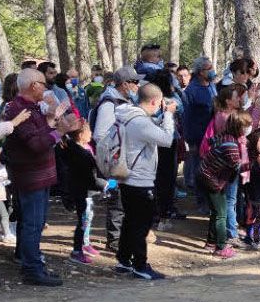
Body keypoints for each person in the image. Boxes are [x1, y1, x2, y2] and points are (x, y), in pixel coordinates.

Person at [2, 68, 80, 286]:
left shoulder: (31, 108)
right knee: (32, 224)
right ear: (34, 86)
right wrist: (59, 132)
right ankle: (32, 269)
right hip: (31, 177)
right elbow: (36, 144)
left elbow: (41, 134)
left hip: (40, 175)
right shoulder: (18, 110)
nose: (46, 88)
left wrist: (54, 122)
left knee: (36, 222)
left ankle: (35, 265)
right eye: (44, 84)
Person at [112, 83, 176, 281]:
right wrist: (168, 115)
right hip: (140, 180)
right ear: (155, 101)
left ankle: (123, 260)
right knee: (140, 225)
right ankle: (140, 265)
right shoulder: (140, 122)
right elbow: (166, 139)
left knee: (130, 221)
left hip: (128, 177)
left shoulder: (128, 115)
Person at [91, 66, 142, 252]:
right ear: (125, 84)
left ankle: (123, 238)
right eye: (135, 82)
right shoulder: (109, 104)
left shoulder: (125, 101)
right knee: (117, 200)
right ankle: (114, 241)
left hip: (127, 158)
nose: (138, 86)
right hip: (115, 160)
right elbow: (100, 135)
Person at [200, 111, 250, 259]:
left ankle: (211, 242)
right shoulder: (231, 145)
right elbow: (239, 167)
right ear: (239, 127)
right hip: (210, 179)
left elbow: (211, 142)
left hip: (210, 176)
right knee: (221, 214)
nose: (249, 128)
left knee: (216, 211)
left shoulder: (227, 136)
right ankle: (221, 247)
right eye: (247, 126)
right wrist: (254, 155)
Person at [59, 122, 111, 264]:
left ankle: (83, 245)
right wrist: (106, 184)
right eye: (89, 132)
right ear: (81, 135)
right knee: (83, 221)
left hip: (81, 191)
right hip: (81, 192)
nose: (92, 134)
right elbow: (90, 179)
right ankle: (77, 250)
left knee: (85, 219)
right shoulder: (81, 154)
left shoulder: (74, 149)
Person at [145, 70, 187, 229]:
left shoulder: (147, 99)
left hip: (155, 140)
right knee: (166, 178)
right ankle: (162, 211)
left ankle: (160, 211)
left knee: (158, 178)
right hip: (166, 141)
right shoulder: (171, 99)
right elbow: (182, 108)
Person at [183, 57, 218, 214]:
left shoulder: (212, 86)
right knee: (200, 170)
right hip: (198, 137)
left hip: (213, 136)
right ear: (199, 72)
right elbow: (186, 117)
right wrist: (190, 140)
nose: (211, 71)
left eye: (211, 68)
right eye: (208, 68)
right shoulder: (191, 90)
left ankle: (210, 200)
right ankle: (201, 201)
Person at [0, 110, 33, 242]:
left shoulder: (1, 164)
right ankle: (6, 233)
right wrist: (13, 123)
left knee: (3, 212)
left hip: (2, 190)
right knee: (3, 213)